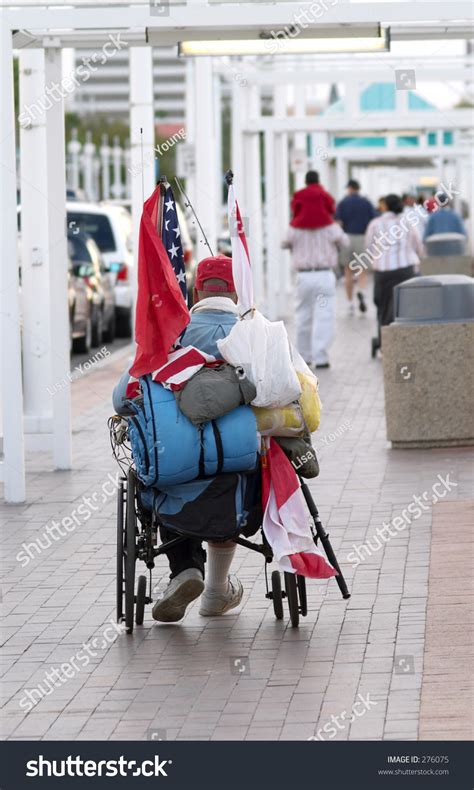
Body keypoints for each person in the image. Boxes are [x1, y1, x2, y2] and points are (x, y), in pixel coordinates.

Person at [113, 256, 246, 623]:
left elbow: (122, 398)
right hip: (242, 481)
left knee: (163, 467)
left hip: (178, 475)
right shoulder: (255, 336)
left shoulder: (171, 337)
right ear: (237, 290)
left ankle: (185, 567)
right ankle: (217, 589)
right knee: (237, 468)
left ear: (196, 290)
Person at [282, 196, 348, 369]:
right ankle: (321, 356)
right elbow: (345, 242)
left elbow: (284, 243)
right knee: (324, 315)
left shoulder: (294, 227)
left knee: (303, 315)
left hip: (303, 276)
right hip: (324, 275)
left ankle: (304, 356)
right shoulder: (330, 227)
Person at [365, 193, 424, 348]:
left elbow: (369, 248)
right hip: (406, 271)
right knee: (407, 306)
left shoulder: (375, 224)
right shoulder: (408, 222)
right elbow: (418, 245)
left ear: (385, 206)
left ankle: (385, 344)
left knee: (383, 308)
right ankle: (406, 342)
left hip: (383, 272)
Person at [335, 179, 376, 315]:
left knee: (348, 271)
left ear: (350, 188)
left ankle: (350, 303)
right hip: (362, 238)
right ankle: (361, 291)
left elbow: (338, 221)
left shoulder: (343, 203)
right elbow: (373, 220)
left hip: (347, 238)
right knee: (362, 270)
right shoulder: (366, 203)